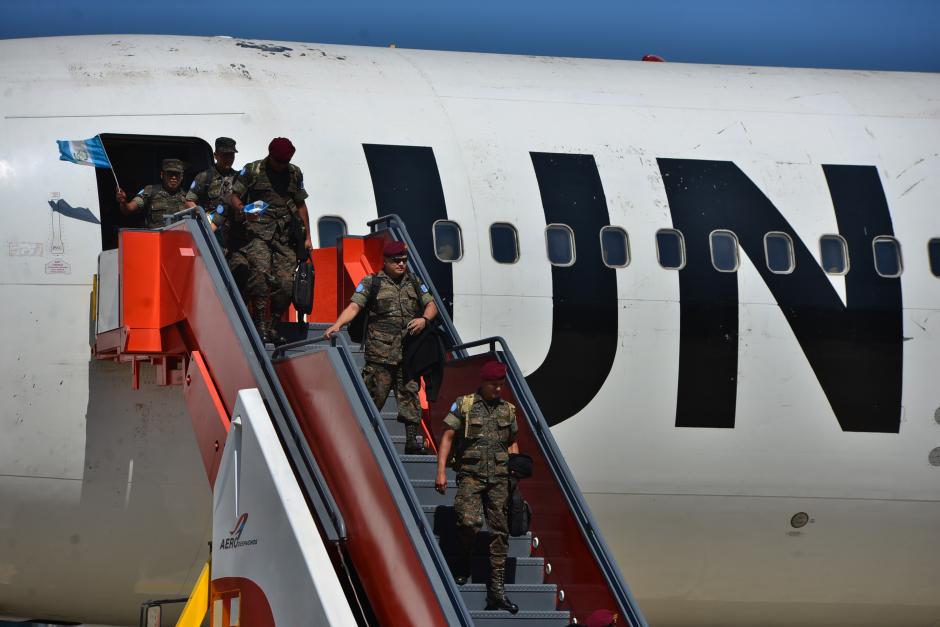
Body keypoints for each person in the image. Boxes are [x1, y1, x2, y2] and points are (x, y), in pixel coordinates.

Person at [325, 240, 438, 453]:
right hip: (380, 355)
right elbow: (354, 306)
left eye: (404, 260)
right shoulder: (372, 282)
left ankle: (412, 442)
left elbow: (431, 305)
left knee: (410, 396)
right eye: (396, 261)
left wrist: (424, 319)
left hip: (408, 353)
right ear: (385, 261)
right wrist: (338, 324)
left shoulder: (414, 281)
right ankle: (361, 438)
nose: (401, 264)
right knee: (373, 397)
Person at [435, 360, 520, 614]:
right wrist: (441, 471)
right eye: (494, 384)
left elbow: (512, 442)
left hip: (499, 479)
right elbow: (447, 437)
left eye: (501, 384)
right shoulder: (464, 405)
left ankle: (497, 591)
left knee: (500, 532)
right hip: (471, 476)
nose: (498, 389)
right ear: (483, 382)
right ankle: (463, 560)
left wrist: (515, 469)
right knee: (469, 522)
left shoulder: (508, 410)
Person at [228, 137, 313, 345]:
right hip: (257, 232)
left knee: (286, 283)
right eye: (278, 162)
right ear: (270, 156)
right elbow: (233, 195)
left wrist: (308, 237)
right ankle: (260, 326)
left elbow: (301, 205)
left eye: (286, 162)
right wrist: (242, 209)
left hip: (284, 235)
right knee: (260, 275)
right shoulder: (253, 170)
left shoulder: (294, 173)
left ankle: (273, 325)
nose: (282, 166)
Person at [186, 137, 249, 298]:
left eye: (231, 155)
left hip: (235, 235)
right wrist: (201, 215)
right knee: (213, 277)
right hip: (213, 233)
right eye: (224, 155)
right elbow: (189, 200)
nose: (228, 158)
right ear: (215, 155)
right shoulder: (205, 177)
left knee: (240, 274)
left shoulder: (239, 178)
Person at [116, 158, 189, 228]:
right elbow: (128, 209)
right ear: (162, 175)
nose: (174, 177)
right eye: (170, 173)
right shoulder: (150, 191)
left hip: (180, 236)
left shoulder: (187, 196)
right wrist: (123, 201)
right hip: (155, 236)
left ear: (182, 177)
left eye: (177, 174)